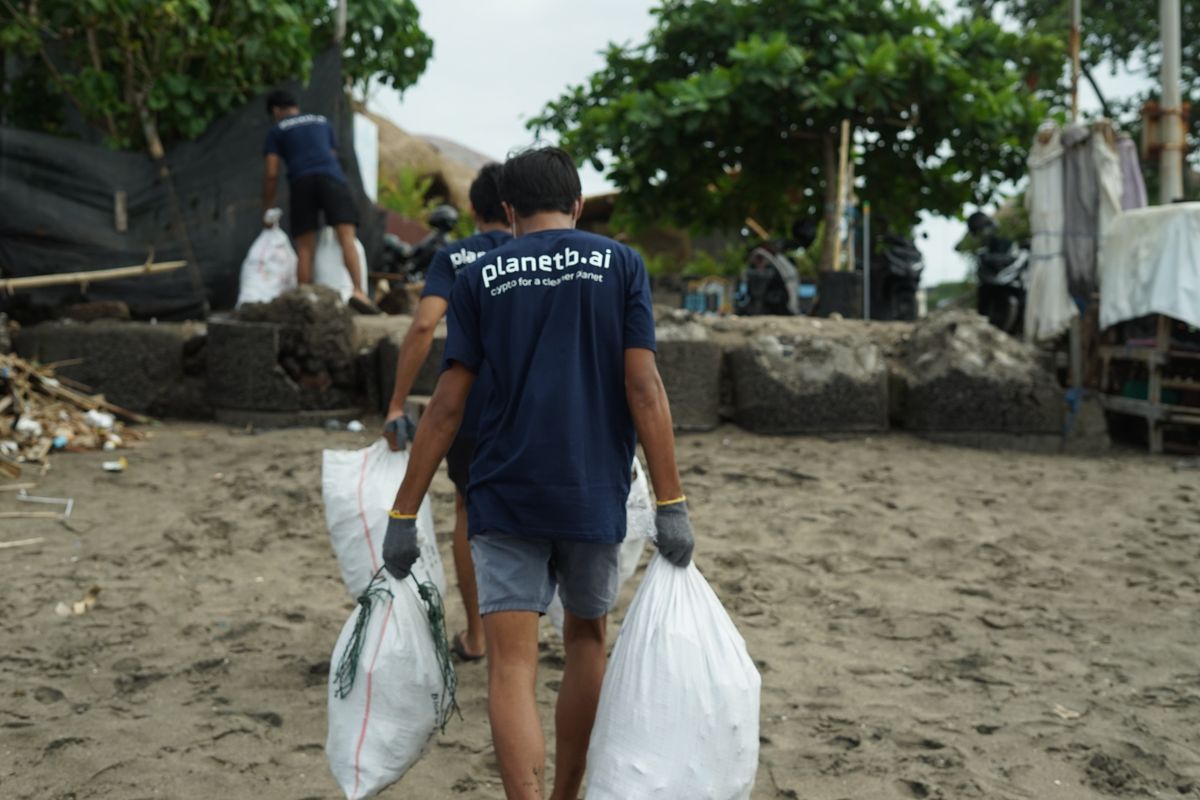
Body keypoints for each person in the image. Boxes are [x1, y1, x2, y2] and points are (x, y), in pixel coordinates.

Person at [382, 146, 694, 800]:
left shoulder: (480, 277)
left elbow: (446, 407)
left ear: (508, 211)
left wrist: (403, 513)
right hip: (591, 489)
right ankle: (566, 796)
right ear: (577, 205)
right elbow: (645, 389)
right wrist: (671, 501)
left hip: (504, 492)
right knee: (585, 639)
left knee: (511, 666)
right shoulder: (621, 265)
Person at [383, 162, 511, 662]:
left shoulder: (456, 256)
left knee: (467, 507)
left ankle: (478, 636)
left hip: (471, 404)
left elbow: (422, 327)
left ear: (474, 210)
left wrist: (397, 400)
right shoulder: (538, 253)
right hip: (533, 403)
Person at [261, 89, 377, 313]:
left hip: (301, 182)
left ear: (275, 111)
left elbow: (271, 173)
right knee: (347, 238)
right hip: (331, 178)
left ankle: (305, 300)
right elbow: (331, 155)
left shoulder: (277, 130)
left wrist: (267, 207)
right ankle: (359, 293)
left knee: (305, 247)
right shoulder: (322, 122)